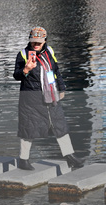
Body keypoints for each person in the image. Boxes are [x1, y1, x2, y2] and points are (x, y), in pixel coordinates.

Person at [13, 26, 84, 170]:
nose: (36, 44)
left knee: (60, 125)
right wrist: (26, 69)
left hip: (51, 95)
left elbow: (55, 71)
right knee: (29, 129)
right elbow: (16, 75)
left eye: (39, 42)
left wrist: (61, 88)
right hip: (31, 99)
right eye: (33, 42)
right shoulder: (23, 54)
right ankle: (23, 160)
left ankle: (69, 156)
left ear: (45, 40)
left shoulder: (50, 51)